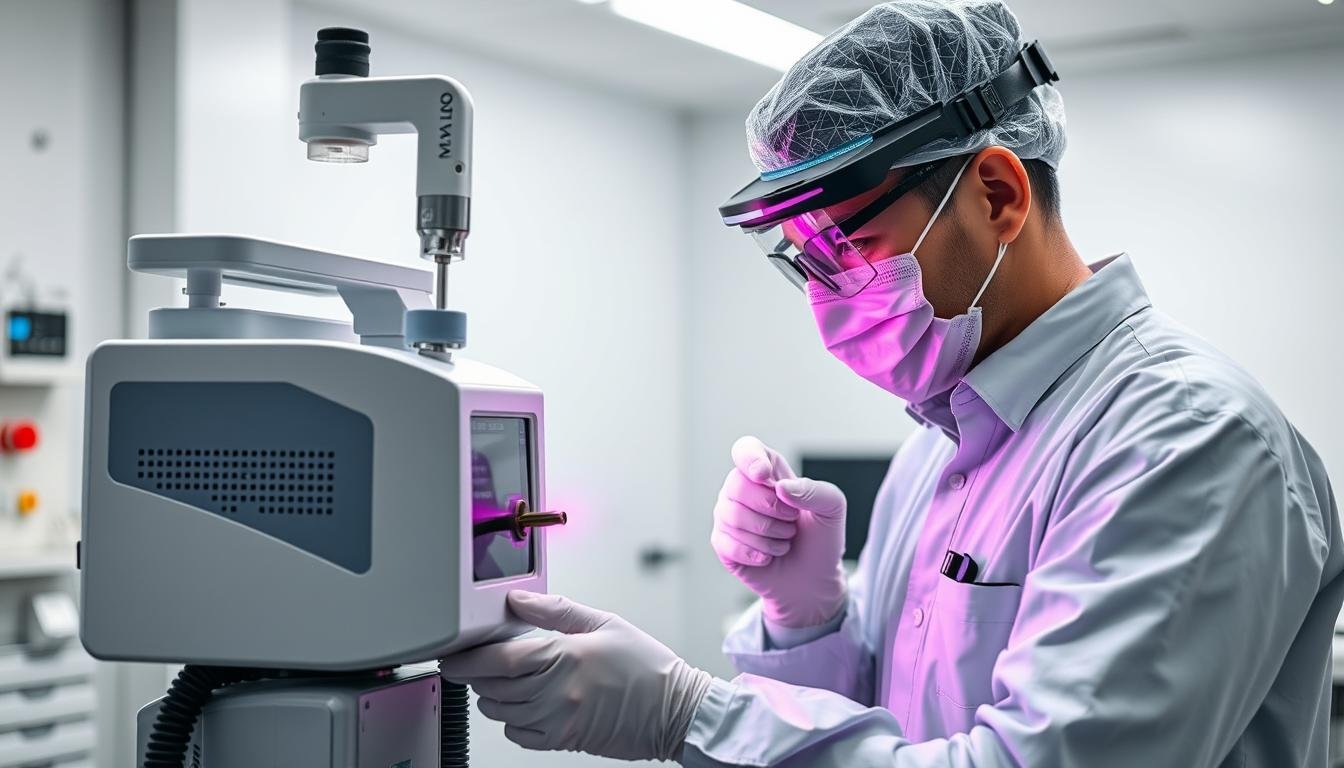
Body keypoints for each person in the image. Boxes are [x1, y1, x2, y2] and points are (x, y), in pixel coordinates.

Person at [438, 1, 1344, 765]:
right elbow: (884, 728)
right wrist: (809, 616)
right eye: (806, 268)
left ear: (996, 194)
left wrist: (689, 714)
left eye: (853, 249)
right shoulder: (939, 442)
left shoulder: (1187, 439)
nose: (830, 304)